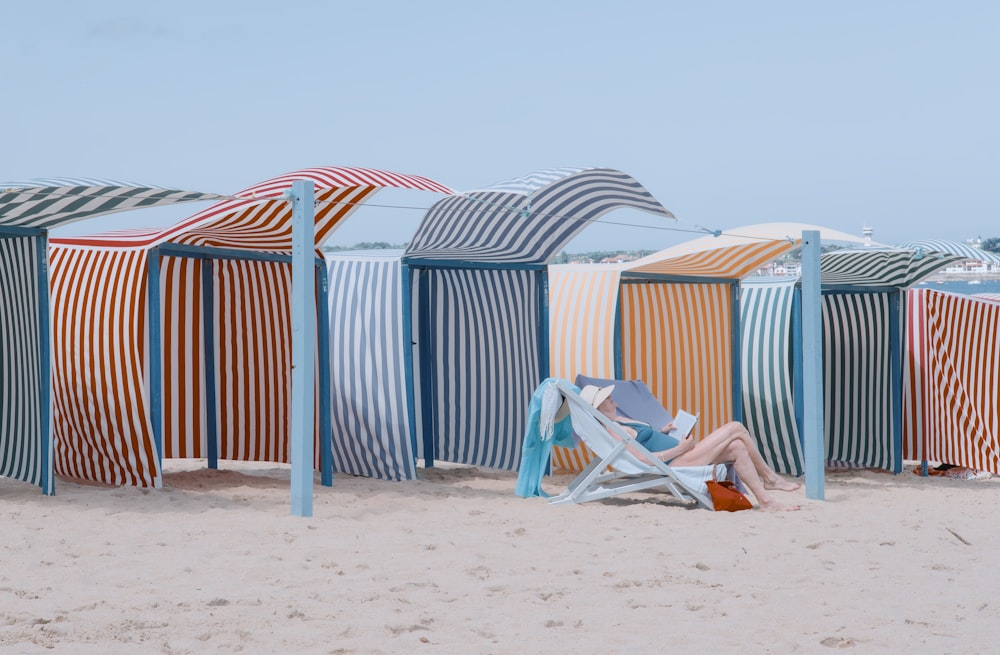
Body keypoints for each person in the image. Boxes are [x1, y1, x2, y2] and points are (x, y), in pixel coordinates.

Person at [580, 384, 800, 511]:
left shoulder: (619, 421)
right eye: (607, 398)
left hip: (679, 454)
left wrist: (663, 432)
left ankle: (765, 499)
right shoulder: (613, 431)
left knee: (736, 447)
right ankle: (771, 479)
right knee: (736, 427)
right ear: (598, 407)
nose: (613, 400)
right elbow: (641, 460)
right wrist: (678, 449)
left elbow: (644, 440)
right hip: (674, 462)